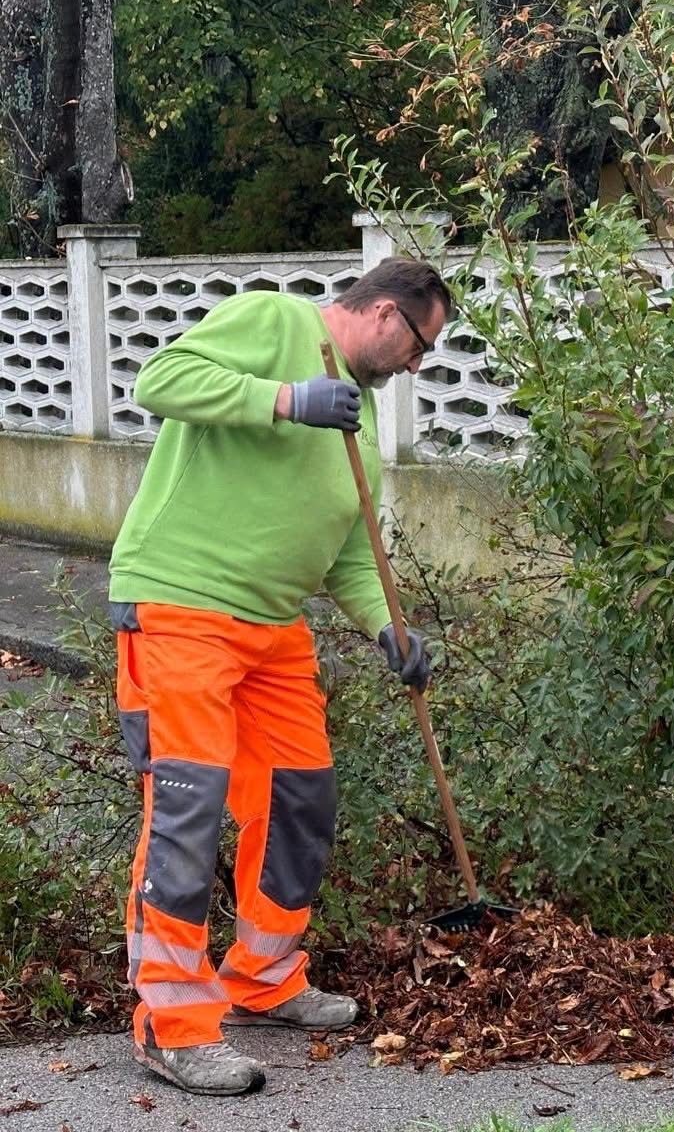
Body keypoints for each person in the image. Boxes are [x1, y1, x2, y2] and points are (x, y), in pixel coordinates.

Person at [108, 258, 453, 1095]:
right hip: (181, 607)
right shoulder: (275, 322)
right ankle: (173, 1024)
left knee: (301, 802)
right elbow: (161, 377)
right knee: (187, 811)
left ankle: (262, 978)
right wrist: (285, 399)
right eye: (419, 344)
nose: (418, 365)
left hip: (273, 629)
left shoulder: (359, 425)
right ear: (379, 311)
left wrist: (387, 630)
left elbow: (345, 553)